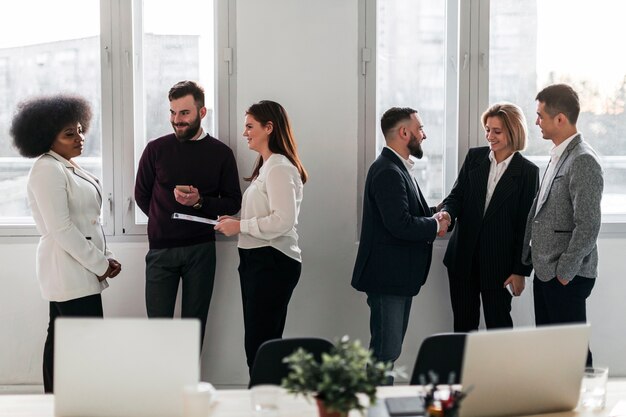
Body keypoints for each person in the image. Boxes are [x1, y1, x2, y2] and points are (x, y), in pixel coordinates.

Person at [10, 94, 122, 393]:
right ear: (48, 138)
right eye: (69, 134)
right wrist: (100, 264)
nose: (79, 138)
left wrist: (106, 255)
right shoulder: (48, 169)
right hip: (68, 269)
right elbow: (61, 228)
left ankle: (57, 403)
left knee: (62, 339)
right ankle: (72, 403)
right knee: (81, 344)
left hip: (79, 268)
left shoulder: (67, 165)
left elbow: (89, 221)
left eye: (80, 130)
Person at [134, 81, 241, 347]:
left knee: (194, 328)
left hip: (201, 250)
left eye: (184, 113)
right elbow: (142, 195)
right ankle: (160, 387)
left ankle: (188, 388)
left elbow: (233, 202)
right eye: (172, 112)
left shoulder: (221, 153)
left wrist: (199, 202)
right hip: (160, 251)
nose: (176, 120)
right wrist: (163, 218)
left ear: (201, 113)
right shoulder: (155, 149)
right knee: (158, 331)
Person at [351, 107, 449, 382]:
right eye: (419, 129)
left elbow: (405, 212)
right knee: (385, 353)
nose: (424, 134)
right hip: (387, 278)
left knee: (387, 352)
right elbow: (399, 224)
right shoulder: (388, 171)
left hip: (396, 278)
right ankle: (375, 409)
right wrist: (435, 224)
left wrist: (435, 212)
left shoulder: (395, 167)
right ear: (404, 132)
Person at [215, 100, 307, 372]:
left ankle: (264, 403)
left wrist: (240, 226)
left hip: (272, 261)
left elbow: (283, 220)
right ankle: (264, 399)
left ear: (269, 128)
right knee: (258, 343)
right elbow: (267, 214)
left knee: (260, 344)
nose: (245, 133)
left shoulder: (278, 167)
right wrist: (236, 222)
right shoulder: (267, 166)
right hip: (260, 260)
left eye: (250, 126)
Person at [438, 103, 539, 332]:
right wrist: (447, 214)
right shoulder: (475, 158)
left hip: (500, 266)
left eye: (497, 131)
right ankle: (465, 369)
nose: (489, 136)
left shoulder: (527, 172)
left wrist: (520, 270)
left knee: (499, 328)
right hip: (463, 259)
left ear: (513, 132)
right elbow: (457, 196)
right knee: (463, 327)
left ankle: (500, 370)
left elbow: (526, 225)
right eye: (487, 129)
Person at [522, 84, 603, 366]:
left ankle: (588, 407)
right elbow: (540, 208)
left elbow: (589, 224)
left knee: (574, 355)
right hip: (546, 271)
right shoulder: (558, 154)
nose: (536, 122)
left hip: (564, 275)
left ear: (560, 119)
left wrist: (565, 272)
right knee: (551, 353)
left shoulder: (583, 160)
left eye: (540, 115)